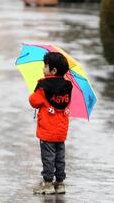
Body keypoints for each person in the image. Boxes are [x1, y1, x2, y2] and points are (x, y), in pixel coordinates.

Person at [29, 52, 73, 195]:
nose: (43, 69)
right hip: (61, 131)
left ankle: (47, 183)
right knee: (60, 157)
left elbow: (33, 101)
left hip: (47, 131)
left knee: (48, 158)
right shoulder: (68, 86)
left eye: (45, 66)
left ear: (53, 70)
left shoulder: (43, 86)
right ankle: (60, 184)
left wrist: (36, 90)